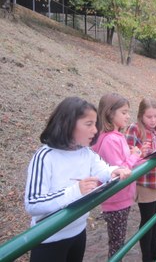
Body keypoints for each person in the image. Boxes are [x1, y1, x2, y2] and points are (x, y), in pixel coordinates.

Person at [25, 97, 131, 262]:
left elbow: (102, 169)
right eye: (88, 124)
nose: (95, 130)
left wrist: (114, 171)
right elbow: (33, 203)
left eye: (95, 124)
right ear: (68, 124)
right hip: (49, 239)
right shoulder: (45, 156)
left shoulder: (85, 152)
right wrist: (75, 191)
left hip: (78, 232)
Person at [91, 93, 143, 258]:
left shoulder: (113, 136)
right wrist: (135, 155)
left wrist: (138, 156)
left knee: (117, 241)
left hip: (119, 198)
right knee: (117, 244)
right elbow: (119, 171)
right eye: (124, 112)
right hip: (117, 200)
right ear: (109, 113)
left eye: (128, 112)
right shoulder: (110, 140)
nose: (128, 116)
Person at [125, 98, 156, 262]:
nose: (153, 120)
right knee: (148, 221)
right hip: (145, 183)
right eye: (149, 117)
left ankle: (155, 251)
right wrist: (141, 154)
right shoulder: (134, 129)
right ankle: (147, 257)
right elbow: (127, 157)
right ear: (140, 116)